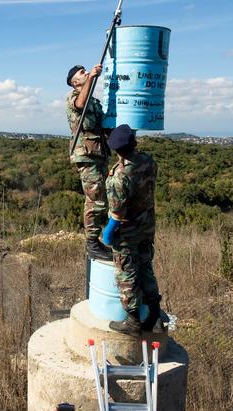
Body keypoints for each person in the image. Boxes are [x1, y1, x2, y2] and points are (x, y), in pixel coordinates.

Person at [102, 124, 163, 334]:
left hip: (127, 235)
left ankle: (133, 320)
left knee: (127, 274)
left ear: (115, 149)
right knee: (146, 268)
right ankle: (155, 315)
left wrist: (107, 234)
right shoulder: (148, 162)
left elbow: (117, 214)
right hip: (146, 228)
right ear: (134, 143)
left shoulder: (119, 177)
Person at [66, 64, 113, 261]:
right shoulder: (74, 98)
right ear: (75, 82)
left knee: (104, 198)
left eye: (86, 71)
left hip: (98, 154)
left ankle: (102, 237)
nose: (86, 73)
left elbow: (105, 126)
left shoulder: (94, 101)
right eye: (82, 73)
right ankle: (92, 243)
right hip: (86, 155)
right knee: (95, 200)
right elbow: (79, 104)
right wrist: (92, 77)